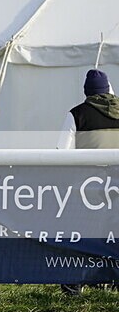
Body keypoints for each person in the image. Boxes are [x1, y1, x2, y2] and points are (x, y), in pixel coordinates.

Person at [57, 69, 118, 295]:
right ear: (108, 89)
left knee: (79, 236)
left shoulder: (76, 114)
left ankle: (73, 283)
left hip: (88, 187)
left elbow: (60, 153)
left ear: (87, 93)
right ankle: (111, 281)